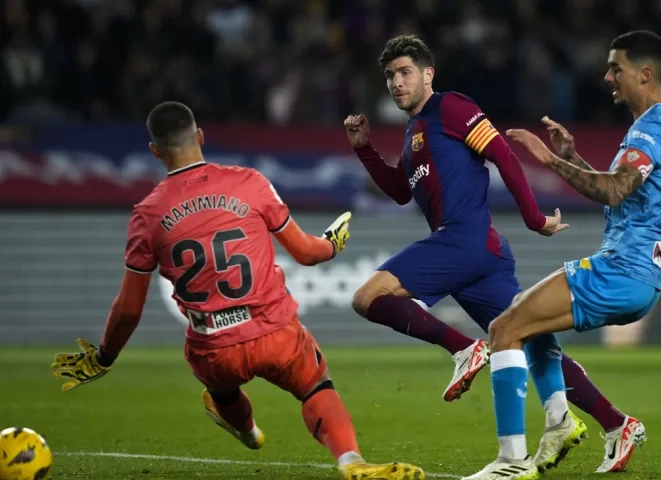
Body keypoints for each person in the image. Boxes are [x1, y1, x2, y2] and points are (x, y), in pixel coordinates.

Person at [50, 101, 425, 480]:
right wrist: (332, 243)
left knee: (222, 390)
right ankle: (351, 462)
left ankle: (246, 430)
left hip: (213, 349)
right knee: (315, 386)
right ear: (199, 136)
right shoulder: (250, 182)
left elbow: (130, 308)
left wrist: (105, 357)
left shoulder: (147, 214)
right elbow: (307, 254)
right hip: (275, 333)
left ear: (155, 151)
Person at [345, 34, 643, 474]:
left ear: (428, 74)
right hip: (480, 254)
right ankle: (616, 424)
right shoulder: (415, 132)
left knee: (367, 297)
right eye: (390, 75)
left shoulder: (451, 107)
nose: (396, 82)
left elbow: (502, 153)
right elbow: (400, 192)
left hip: (462, 240)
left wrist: (533, 218)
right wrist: (365, 151)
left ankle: (465, 350)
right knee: (531, 336)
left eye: (405, 72)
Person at [465, 30, 661, 479]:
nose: (608, 76)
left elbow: (613, 188)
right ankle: (609, 425)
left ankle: (512, 462)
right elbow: (621, 195)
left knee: (504, 328)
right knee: (526, 327)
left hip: (621, 270)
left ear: (645, 74)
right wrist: (576, 158)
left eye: (617, 68)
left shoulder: (654, 126)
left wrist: (549, 162)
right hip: (639, 274)